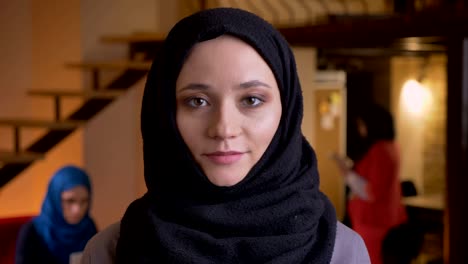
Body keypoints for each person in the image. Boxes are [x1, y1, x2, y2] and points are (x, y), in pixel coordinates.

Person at [81, 7, 370, 263]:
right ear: (165, 114)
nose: (223, 128)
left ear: (287, 110)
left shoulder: (342, 252)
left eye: (252, 100)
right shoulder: (109, 252)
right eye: (197, 101)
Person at [332, 103, 407, 264]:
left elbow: (372, 191)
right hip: (384, 217)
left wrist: (347, 174)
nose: (360, 128)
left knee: (370, 258)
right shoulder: (393, 146)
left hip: (373, 220)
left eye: (361, 124)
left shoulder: (379, 150)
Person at [15, 165, 97, 264]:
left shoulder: (89, 227)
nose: (77, 210)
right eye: (70, 201)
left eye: (84, 201)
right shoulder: (32, 232)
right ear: (55, 199)